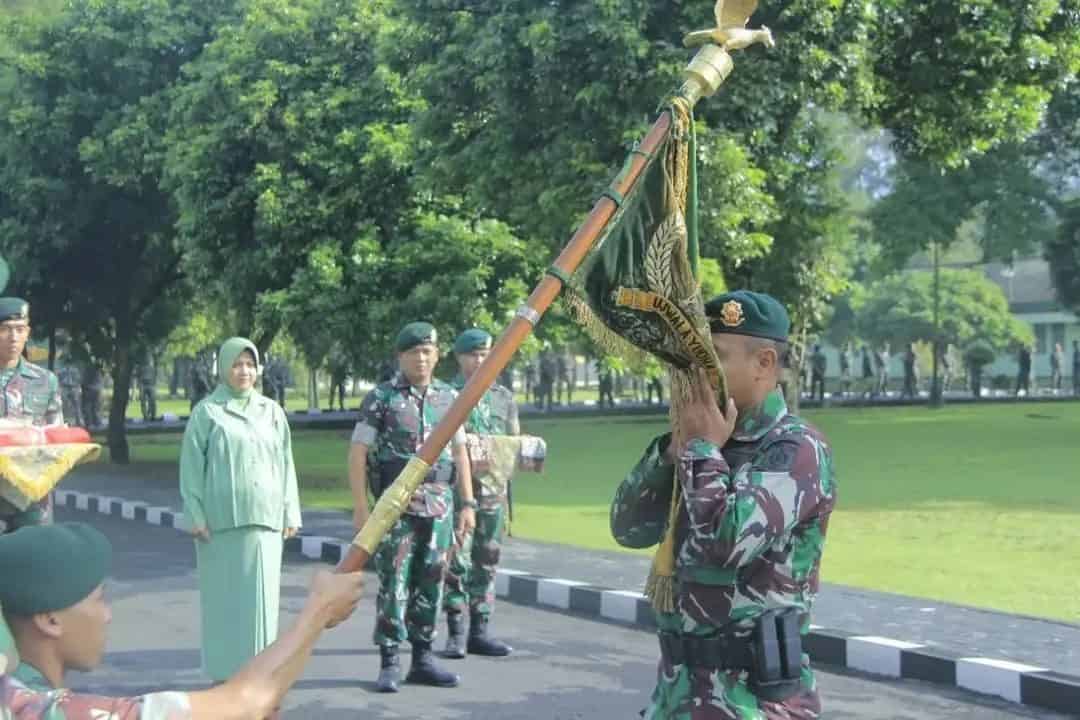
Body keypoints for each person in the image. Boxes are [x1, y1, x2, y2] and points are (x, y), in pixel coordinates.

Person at [611, 290, 836, 719]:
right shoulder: (700, 440)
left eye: (714, 356)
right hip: (677, 694)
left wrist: (700, 452)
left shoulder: (795, 449)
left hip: (753, 700)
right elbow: (628, 527)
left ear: (764, 363)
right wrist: (669, 455)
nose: (699, 371)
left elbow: (725, 542)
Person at [0, 521, 363, 720]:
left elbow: (242, 701)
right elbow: (246, 703)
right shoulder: (48, 712)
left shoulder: (13, 691)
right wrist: (318, 611)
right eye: (98, 599)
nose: (108, 615)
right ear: (49, 620)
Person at [347, 322, 476, 693]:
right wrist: (360, 507)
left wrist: (467, 503)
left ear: (437, 355)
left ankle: (422, 658)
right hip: (395, 507)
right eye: (413, 352)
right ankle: (389, 660)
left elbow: (460, 451)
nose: (421, 358)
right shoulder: (381, 398)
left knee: (432, 580)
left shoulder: (450, 397)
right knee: (395, 582)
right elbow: (358, 453)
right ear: (400, 357)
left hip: (439, 505)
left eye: (427, 351)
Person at [179, 338, 302, 684]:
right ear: (223, 368)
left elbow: (285, 461)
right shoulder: (207, 412)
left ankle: (261, 676)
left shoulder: (272, 412)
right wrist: (195, 514)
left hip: (264, 522)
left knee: (262, 604)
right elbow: (190, 468)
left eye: (250, 364)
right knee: (224, 605)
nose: (244, 371)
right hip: (219, 526)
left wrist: (290, 510)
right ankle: (224, 678)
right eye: (237, 364)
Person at [442, 329, 516, 660]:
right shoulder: (448, 395)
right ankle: (455, 633)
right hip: (458, 495)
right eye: (473, 354)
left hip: (494, 495)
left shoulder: (504, 397)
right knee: (457, 563)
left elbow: (513, 444)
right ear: (459, 357)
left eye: (486, 352)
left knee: (488, 562)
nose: (480, 359)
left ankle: (480, 632)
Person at [0, 297, 62, 535]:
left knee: (35, 567)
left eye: (19, 329)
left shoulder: (45, 381)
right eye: (5, 329)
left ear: (28, 333)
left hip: (33, 501)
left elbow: (56, 439)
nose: (13, 337)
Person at [137, 354, 157, 421]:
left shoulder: (152, 368)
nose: (147, 359)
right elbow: (138, 376)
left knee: (152, 400)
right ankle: (145, 416)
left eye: (148, 358)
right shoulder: (140, 367)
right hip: (143, 384)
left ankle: (153, 415)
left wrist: (153, 384)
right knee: (143, 401)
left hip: (150, 385)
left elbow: (154, 376)